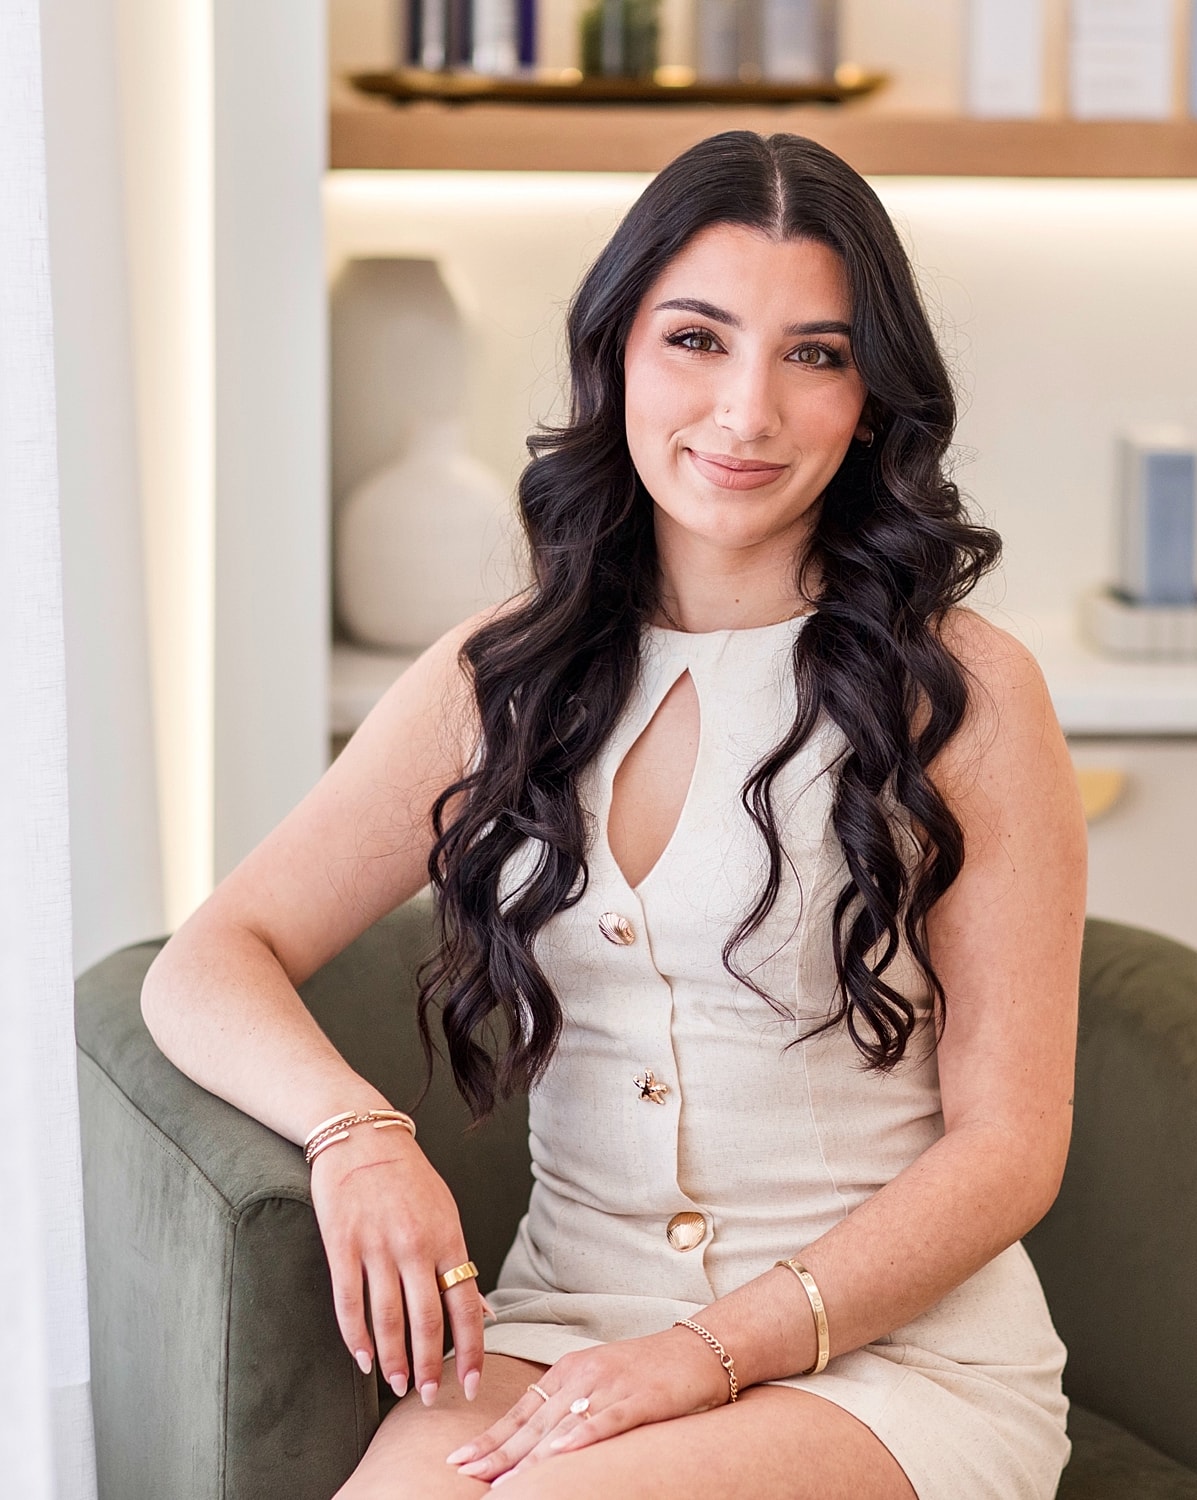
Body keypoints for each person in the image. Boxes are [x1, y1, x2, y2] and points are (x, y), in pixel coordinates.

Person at [141, 130, 1086, 1499]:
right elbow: (209, 960)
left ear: (874, 397)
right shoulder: (502, 673)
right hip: (564, 1333)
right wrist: (358, 1138)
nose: (747, 410)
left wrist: (707, 1353)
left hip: (880, 1361)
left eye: (814, 354)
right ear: (618, 353)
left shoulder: (968, 691)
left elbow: (1010, 1151)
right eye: (696, 339)